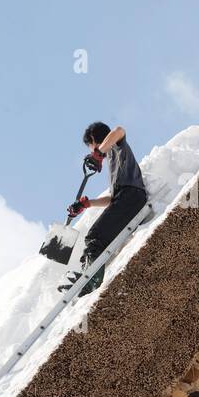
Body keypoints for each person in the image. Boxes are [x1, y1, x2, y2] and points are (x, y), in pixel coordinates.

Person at [58, 122, 148, 294]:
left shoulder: (117, 147)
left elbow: (119, 131)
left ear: (94, 140)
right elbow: (113, 199)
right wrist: (88, 203)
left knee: (94, 237)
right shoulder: (112, 162)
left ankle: (91, 280)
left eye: (91, 146)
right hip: (124, 200)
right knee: (95, 242)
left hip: (131, 197)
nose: (92, 151)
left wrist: (99, 153)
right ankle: (88, 273)